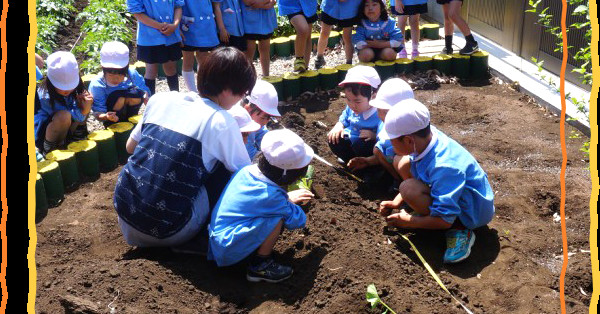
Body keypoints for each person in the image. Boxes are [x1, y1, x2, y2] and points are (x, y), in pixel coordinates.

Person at [113, 47, 256, 250]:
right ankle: (203, 240)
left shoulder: (161, 99)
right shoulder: (221, 121)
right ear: (226, 89)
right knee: (226, 172)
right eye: (243, 92)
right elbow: (244, 176)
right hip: (170, 232)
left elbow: (130, 147)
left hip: (126, 217)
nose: (242, 98)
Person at [379, 99, 495, 263]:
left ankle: (460, 230)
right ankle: (428, 212)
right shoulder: (425, 137)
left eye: (392, 140)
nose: (390, 145)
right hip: (454, 191)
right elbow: (416, 168)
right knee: (403, 163)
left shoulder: (444, 166)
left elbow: (443, 220)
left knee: (408, 189)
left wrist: (411, 222)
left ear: (408, 141)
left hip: (472, 211)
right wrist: (396, 202)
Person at [209, 129, 315, 283]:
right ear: (287, 174)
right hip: (228, 249)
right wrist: (287, 201)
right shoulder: (271, 196)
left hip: (220, 238)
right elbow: (298, 221)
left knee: (275, 213)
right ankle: (260, 266)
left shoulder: (247, 171)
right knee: (277, 218)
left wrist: (284, 200)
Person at [347, 78, 414, 183]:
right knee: (379, 148)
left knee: (402, 162)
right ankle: (398, 181)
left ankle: (407, 185)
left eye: (386, 112)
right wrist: (368, 161)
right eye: (379, 110)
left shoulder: (414, 129)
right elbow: (385, 151)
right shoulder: (384, 127)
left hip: (419, 172)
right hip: (400, 167)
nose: (381, 115)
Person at [34, 51, 93, 156]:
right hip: (46, 133)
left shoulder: (74, 89)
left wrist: (83, 105)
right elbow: (68, 114)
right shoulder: (45, 97)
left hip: (66, 126)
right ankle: (50, 149)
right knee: (64, 116)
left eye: (71, 86)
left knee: (86, 99)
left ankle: (77, 135)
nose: (68, 90)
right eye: (63, 88)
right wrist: (84, 110)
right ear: (51, 82)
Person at [88, 41, 151, 128]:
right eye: (110, 75)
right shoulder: (98, 84)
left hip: (131, 112)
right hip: (111, 117)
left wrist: (145, 96)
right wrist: (106, 116)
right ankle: (115, 124)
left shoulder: (132, 74)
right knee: (119, 97)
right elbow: (98, 112)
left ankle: (131, 120)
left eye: (120, 75)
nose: (115, 79)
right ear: (103, 69)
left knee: (135, 94)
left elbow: (144, 90)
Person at [327, 65, 381, 165]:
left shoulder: (379, 113)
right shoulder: (351, 108)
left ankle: (367, 165)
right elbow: (345, 116)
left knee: (361, 145)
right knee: (333, 139)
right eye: (348, 99)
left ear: (373, 96)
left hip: (366, 144)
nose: (352, 105)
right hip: (351, 137)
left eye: (357, 101)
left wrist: (374, 136)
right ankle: (349, 159)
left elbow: (385, 135)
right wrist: (339, 125)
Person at [128, 0, 184, 94]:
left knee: (171, 68)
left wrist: (175, 25)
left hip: (171, 35)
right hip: (149, 37)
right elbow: (137, 13)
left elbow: (178, 6)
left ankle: (176, 97)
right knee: (151, 70)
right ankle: (150, 101)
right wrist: (159, 26)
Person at [180, 0, 221, 93]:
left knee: (204, 59)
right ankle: (192, 92)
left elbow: (216, 4)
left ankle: (203, 89)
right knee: (188, 59)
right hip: (187, 26)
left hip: (206, 26)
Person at [314, 0, 362, 69]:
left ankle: (349, 63)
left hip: (349, 8)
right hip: (331, 6)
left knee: (347, 37)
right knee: (324, 33)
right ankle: (319, 58)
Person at [242, 79, 281, 160]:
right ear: (248, 108)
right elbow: (250, 155)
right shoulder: (241, 127)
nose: (265, 122)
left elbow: (262, 133)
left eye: (269, 118)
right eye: (263, 117)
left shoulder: (255, 120)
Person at [278, 0, 318, 72]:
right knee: (303, 29)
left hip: (309, 4)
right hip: (291, 5)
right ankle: (299, 60)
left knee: (307, 36)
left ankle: (304, 68)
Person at [241, 0, 277, 76]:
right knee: (249, 51)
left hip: (265, 20)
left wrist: (270, 3)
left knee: (265, 49)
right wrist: (264, 4)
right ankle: (247, 77)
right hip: (249, 22)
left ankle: (266, 75)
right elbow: (248, 2)